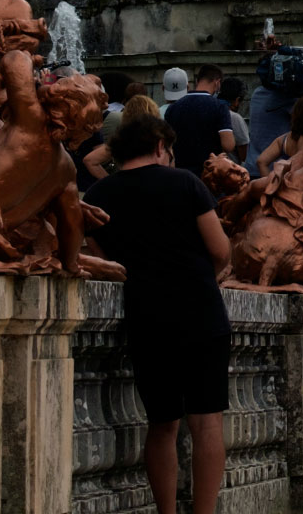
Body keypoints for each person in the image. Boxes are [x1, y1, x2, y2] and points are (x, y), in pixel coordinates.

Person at [84, 115, 232, 514]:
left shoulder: (98, 195)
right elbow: (220, 250)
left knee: (162, 423)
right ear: (159, 147)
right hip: (200, 311)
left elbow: (102, 261)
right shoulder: (185, 183)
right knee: (207, 421)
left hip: (145, 314)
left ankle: (165, 511)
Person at [164, 63, 236, 174]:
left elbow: (168, 145)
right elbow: (228, 145)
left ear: (197, 81)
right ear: (217, 82)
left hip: (181, 173)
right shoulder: (219, 107)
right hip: (209, 173)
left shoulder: (173, 108)